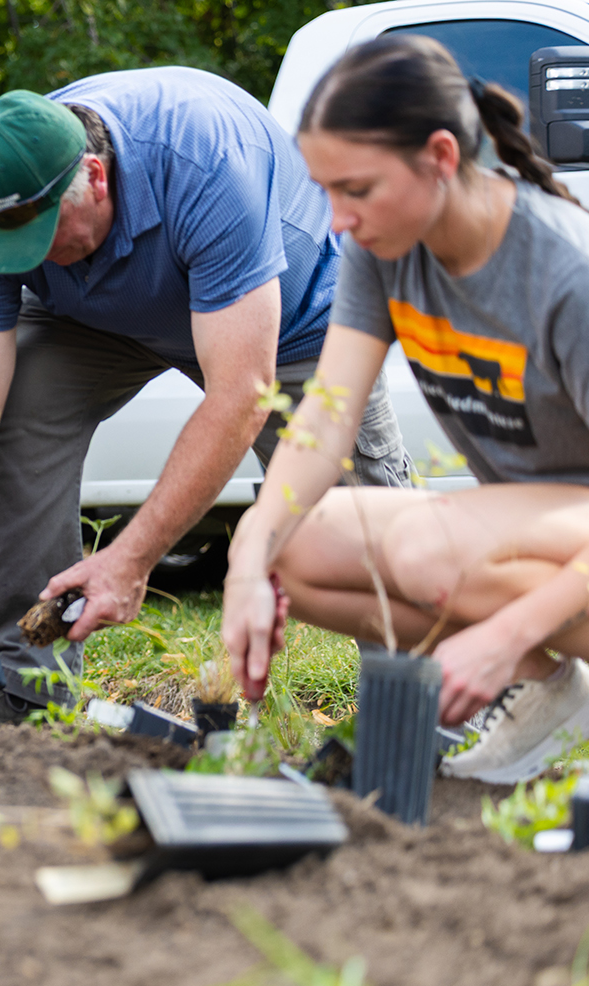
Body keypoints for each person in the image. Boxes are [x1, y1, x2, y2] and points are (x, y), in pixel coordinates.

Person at [0, 72, 417, 719]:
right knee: (14, 409)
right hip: (100, 316)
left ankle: (417, 705)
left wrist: (131, 556)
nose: (32, 258)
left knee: (361, 510)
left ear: (94, 175)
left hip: (288, 319)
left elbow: (241, 393)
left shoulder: (205, 162)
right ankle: (27, 692)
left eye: (40, 236)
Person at [223, 36, 589, 784]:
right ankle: (557, 694)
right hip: (549, 531)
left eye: (356, 189)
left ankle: (532, 665)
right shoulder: (385, 249)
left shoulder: (566, 273)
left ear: (442, 157)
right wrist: (246, 559)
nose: (337, 219)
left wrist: (502, 636)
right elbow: (325, 420)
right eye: (326, 191)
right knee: (301, 545)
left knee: (423, 547)